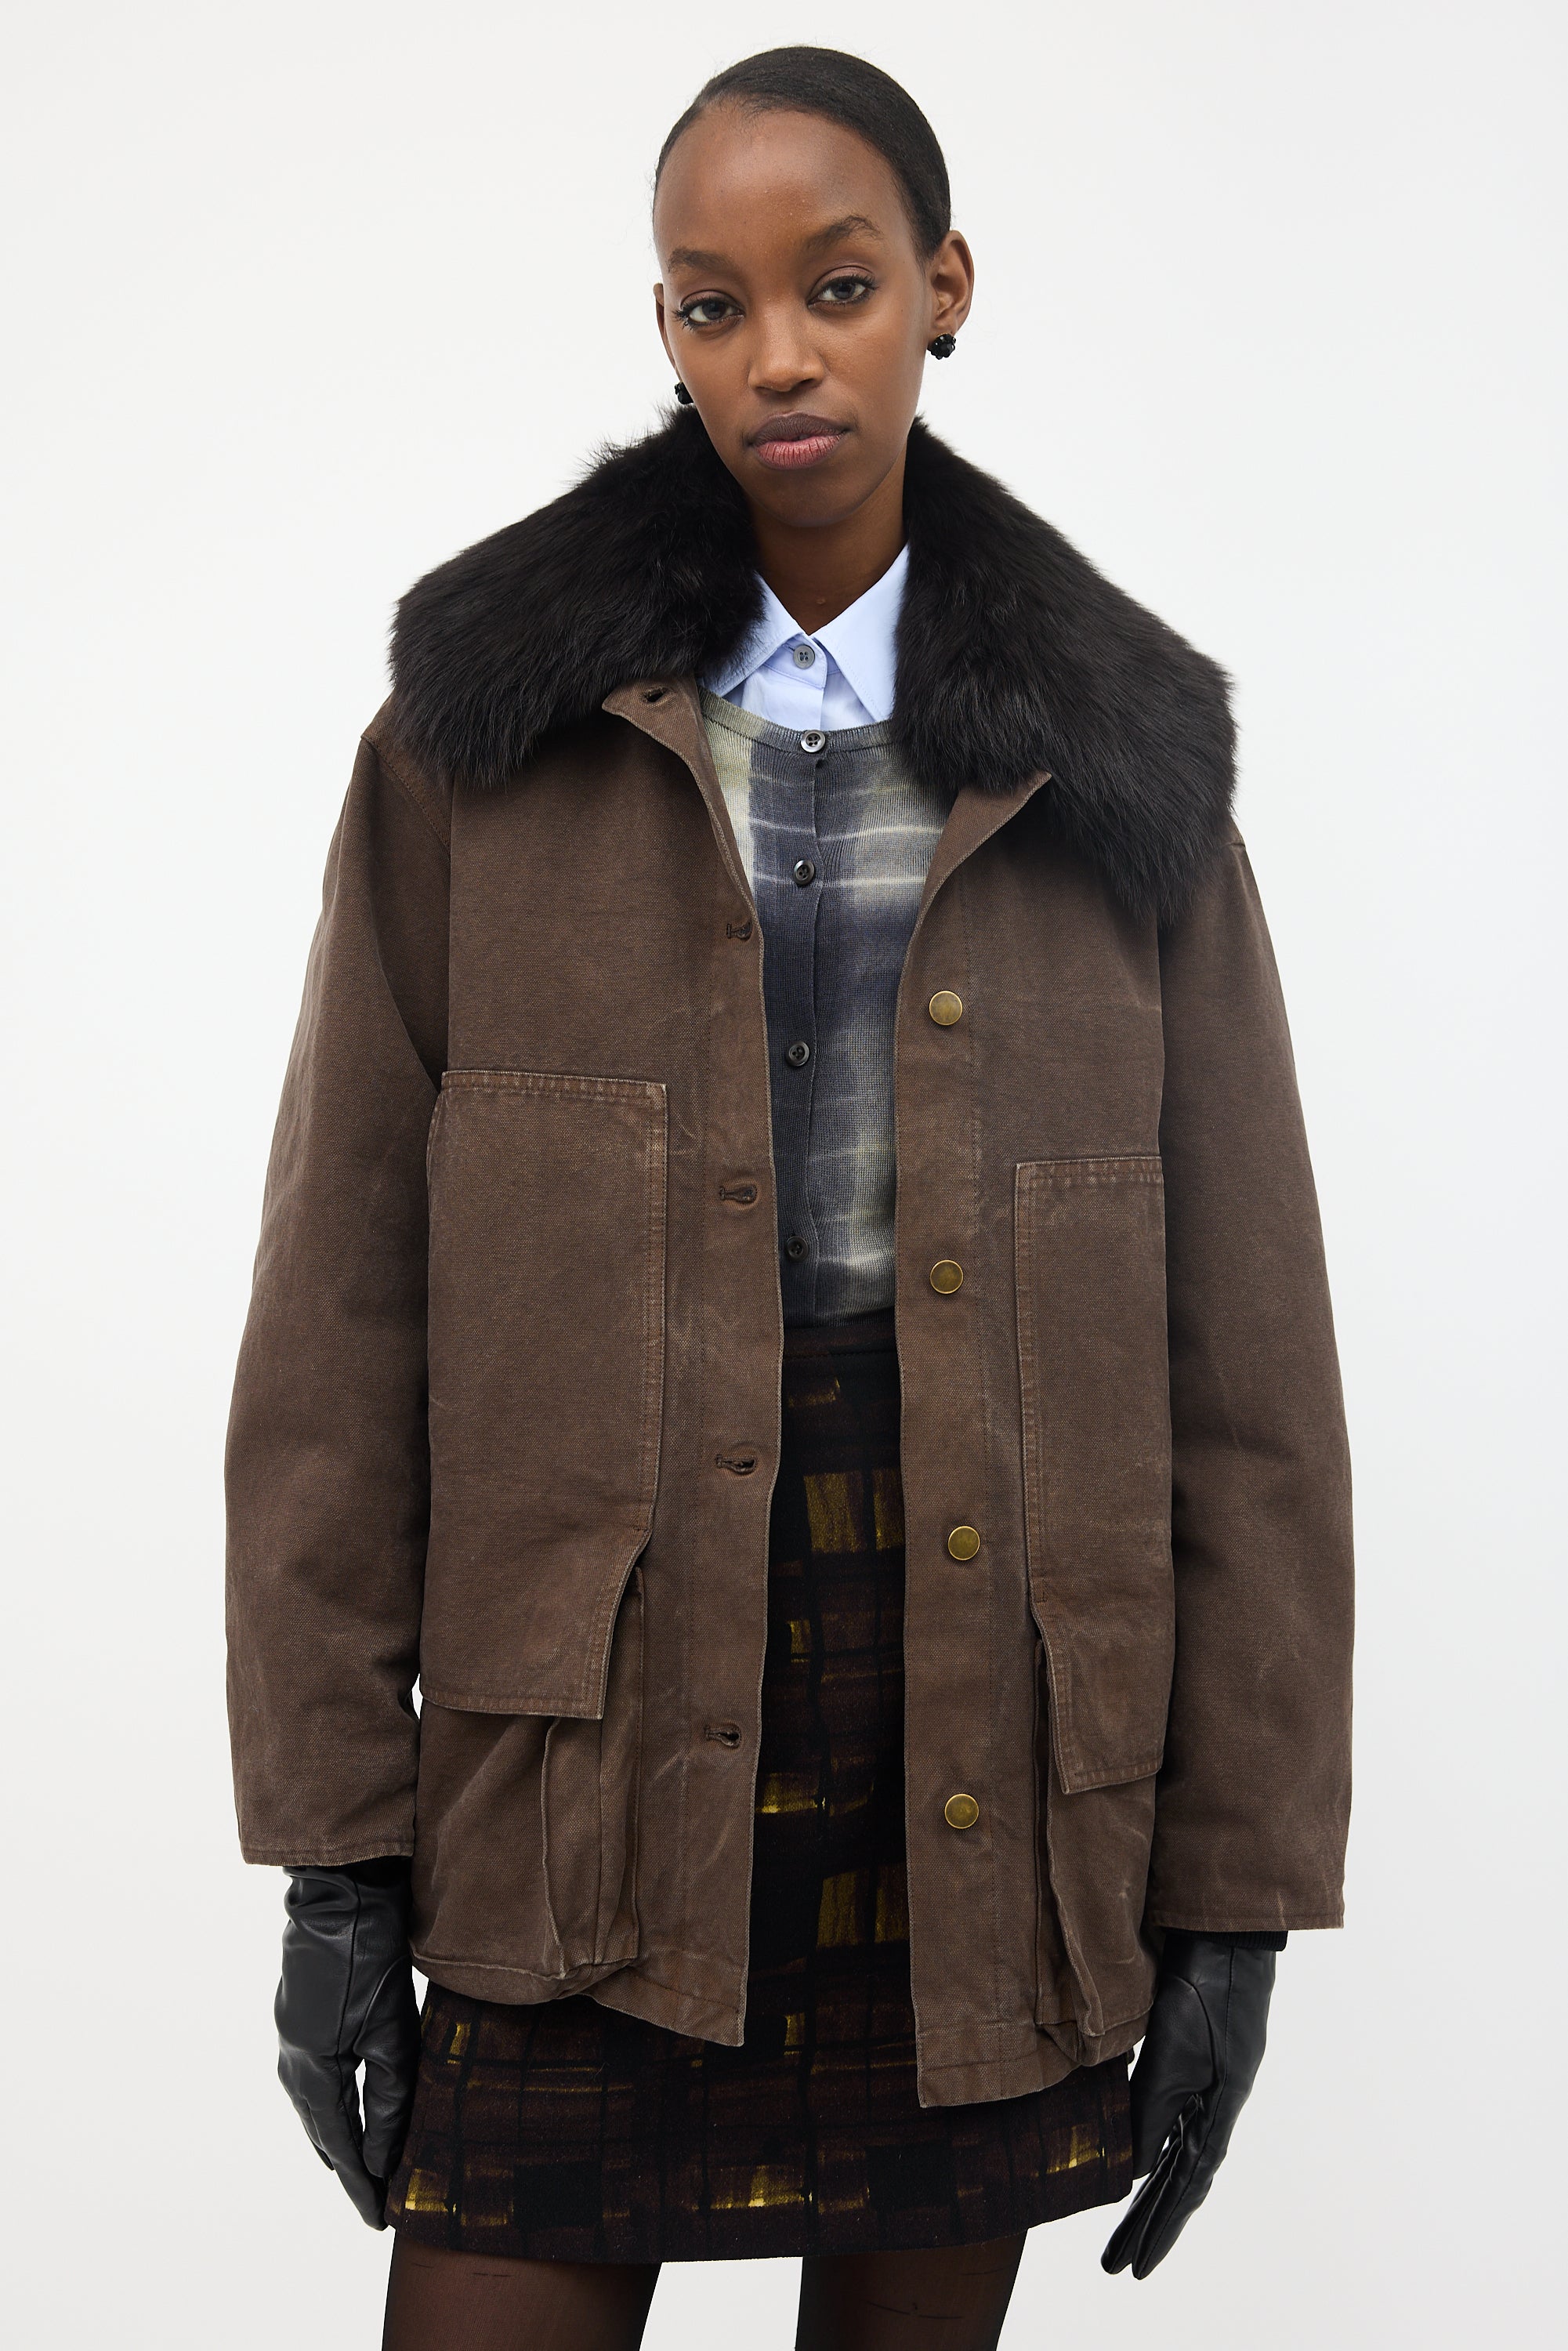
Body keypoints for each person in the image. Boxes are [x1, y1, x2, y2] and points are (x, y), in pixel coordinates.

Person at [226, 45, 1353, 2351]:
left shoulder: (1125, 776)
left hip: (971, 1756)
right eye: (708, 301)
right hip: (585, 1763)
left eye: (835, 286)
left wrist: (1234, 1895)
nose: (776, 356)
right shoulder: (477, 747)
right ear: (662, 326)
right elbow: (337, 1327)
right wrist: (335, 1858)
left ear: (944, 289)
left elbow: (1248, 1371)